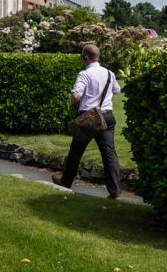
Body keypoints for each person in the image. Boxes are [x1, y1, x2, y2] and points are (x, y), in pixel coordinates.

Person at [52, 43, 123, 198]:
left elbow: (76, 95)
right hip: (106, 117)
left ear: (86, 57)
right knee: (109, 153)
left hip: (88, 119)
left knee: (76, 151)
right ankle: (115, 191)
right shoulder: (109, 73)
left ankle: (66, 181)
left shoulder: (84, 74)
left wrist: (75, 101)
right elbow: (117, 90)